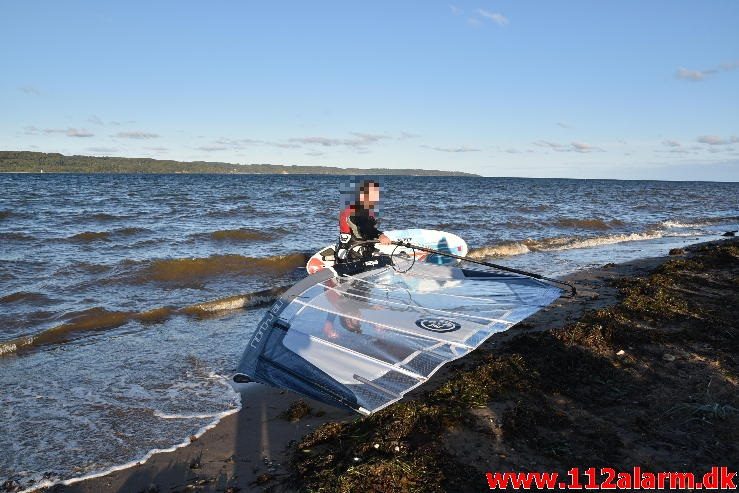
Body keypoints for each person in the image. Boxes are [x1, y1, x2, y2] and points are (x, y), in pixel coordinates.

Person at [336, 179, 391, 263]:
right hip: (357, 255)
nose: (377, 198)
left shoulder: (350, 208)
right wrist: (380, 235)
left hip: (343, 250)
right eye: (374, 194)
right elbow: (365, 228)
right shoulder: (359, 211)